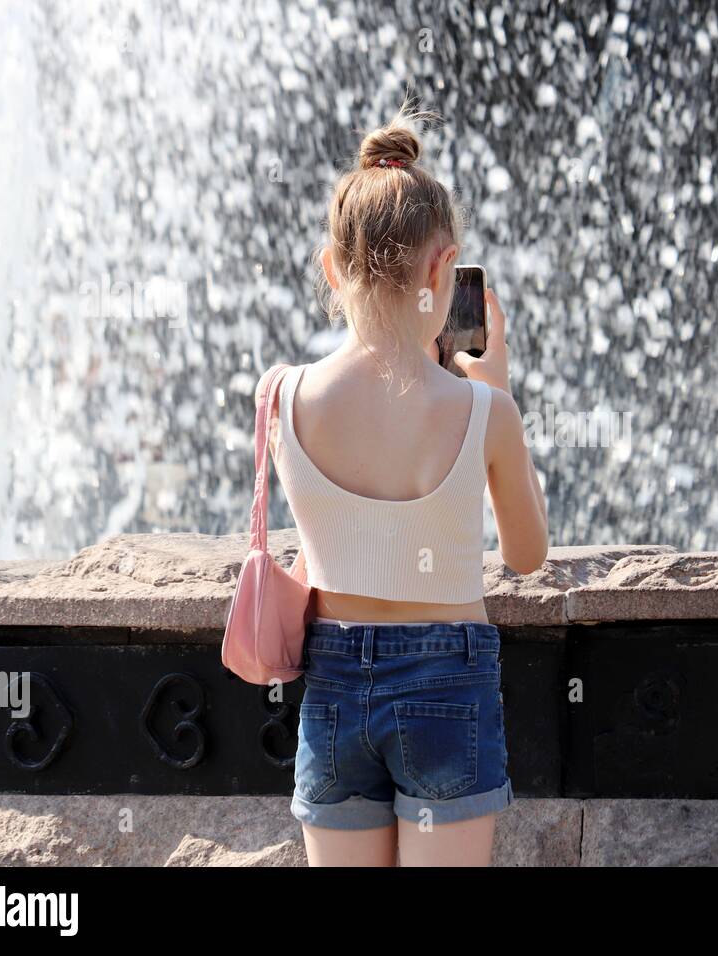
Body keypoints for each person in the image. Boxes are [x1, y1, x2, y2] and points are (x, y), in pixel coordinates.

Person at [257, 101, 548, 866]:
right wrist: (497, 386)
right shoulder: (486, 410)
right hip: (447, 687)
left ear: (331, 267)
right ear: (443, 270)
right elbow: (525, 555)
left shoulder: (282, 396)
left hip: (331, 686)